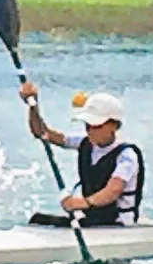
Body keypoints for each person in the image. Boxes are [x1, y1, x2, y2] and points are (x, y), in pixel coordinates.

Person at [20, 84, 144, 227]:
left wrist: (82, 203)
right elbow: (42, 133)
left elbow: (112, 191)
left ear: (114, 126)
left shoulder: (127, 156)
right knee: (37, 220)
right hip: (93, 221)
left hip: (118, 224)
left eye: (96, 126)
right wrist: (33, 104)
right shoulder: (85, 142)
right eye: (87, 125)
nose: (90, 131)